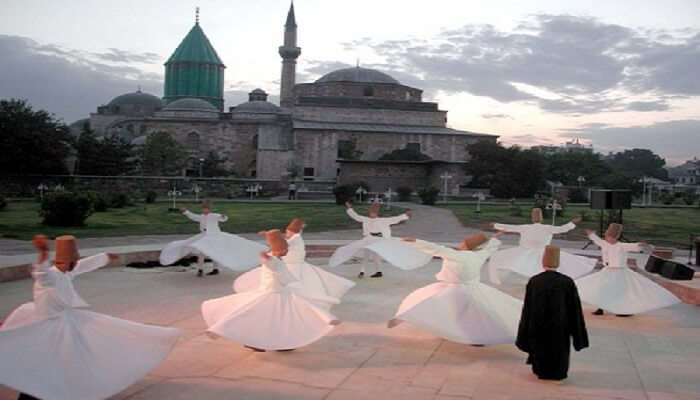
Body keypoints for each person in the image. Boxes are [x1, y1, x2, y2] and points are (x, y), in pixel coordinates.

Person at [0, 235, 180, 400]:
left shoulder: (66, 272)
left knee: (67, 360)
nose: (78, 263)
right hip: (49, 327)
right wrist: (43, 253)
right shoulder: (51, 277)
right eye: (75, 260)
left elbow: (84, 265)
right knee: (45, 363)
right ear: (70, 261)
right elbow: (41, 273)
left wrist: (105, 257)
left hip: (64, 324)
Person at [201, 230, 341, 352]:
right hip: (274, 293)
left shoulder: (272, 258)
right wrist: (270, 260)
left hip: (275, 292)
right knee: (270, 315)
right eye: (285, 249)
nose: (287, 251)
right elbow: (281, 273)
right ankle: (226, 332)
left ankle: (280, 340)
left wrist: (269, 236)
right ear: (280, 250)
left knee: (277, 315)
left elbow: (272, 259)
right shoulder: (274, 262)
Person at [388, 232, 524, 346]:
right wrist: (494, 237)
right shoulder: (480, 255)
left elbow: (436, 248)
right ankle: (477, 336)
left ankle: (456, 332)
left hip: (453, 289)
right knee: (477, 315)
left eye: (463, 243)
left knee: (423, 301)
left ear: (465, 245)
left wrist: (415, 241)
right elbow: (491, 248)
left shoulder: (455, 254)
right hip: (474, 289)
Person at [233, 219, 356, 306]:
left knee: (297, 284)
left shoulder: (295, 239)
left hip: (295, 266)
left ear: (292, 232)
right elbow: (281, 243)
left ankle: (303, 300)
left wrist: (270, 236)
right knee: (300, 284)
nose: (286, 234)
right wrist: (269, 235)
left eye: (287, 232)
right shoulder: (294, 238)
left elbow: (282, 244)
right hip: (291, 266)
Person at [516, 246, 589, 381]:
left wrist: (523, 333)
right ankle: (558, 372)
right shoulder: (567, 282)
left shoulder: (535, 281)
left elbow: (527, 308)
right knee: (559, 350)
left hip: (538, 324)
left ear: (543, 262)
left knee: (540, 348)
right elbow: (575, 310)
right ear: (558, 262)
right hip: (560, 325)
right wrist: (579, 337)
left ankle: (541, 371)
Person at [575, 223, 680, 316]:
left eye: (611, 237)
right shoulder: (605, 244)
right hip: (608, 271)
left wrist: (640, 245)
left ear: (616, 237)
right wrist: (591, 234)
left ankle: (624, 310)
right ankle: (601, 307)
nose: (608, 239)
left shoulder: (622, 246)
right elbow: (597, 240)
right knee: (602, 288)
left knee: (621, 291)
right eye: (607, 236)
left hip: (620, 272)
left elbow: (634, 246)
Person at [487, 208, 596, 284]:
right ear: (542, 218)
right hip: (538, 252)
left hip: (527, 252)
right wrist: (572, 223)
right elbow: (562, 228)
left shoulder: (526, 227)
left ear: (532, 218)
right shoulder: (546, 228)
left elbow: (509, 227)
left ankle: (500, 280)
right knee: (540, 268)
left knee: (499, 258)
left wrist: (496, 225)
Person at [160, 199, 266, 276]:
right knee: (201, 252)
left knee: (215, 252)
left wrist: (223, 216)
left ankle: (215, 269)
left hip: (215, 236)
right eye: (203, 209)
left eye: (206, 209)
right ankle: (200, 269)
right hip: (204, 236)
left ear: (209, 209)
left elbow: (223, 218)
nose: (204, 210)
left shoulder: (214, 215)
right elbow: (192, 216)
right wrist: (185, 211)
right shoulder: (201, 217)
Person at [334, 201, 412, 278]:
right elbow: (356, 216)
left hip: (378, 240)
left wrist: (405, 215)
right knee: (366, 255)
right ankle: (362, 272)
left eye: (374, 212)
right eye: (371, 212)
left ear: (377, 213)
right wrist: (349, 208)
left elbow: (394, 219)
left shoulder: (382, 220)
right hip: (369, 239)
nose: (372, 214)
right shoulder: (366, 219)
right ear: (369, 212)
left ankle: (378, 272)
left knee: (376, 256)